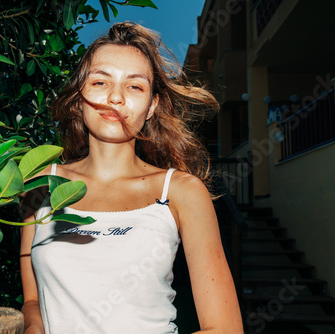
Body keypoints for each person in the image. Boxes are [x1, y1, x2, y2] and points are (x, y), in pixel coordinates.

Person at [20, 22, 243, 334]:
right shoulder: (39, 183)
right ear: (80, 95)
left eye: (135, 86)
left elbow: (225, 329)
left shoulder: (181, 191)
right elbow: (32, 301)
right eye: (100, 82)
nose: (116, 97)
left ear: (151, 105)